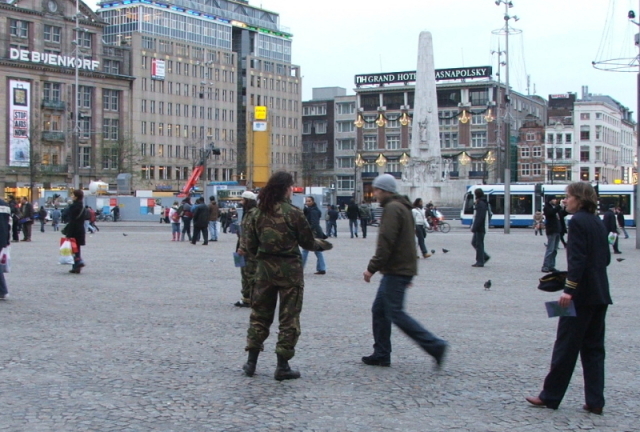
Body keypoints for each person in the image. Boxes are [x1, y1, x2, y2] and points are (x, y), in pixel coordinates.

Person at [526, 182, 612, 415]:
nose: (565, 201)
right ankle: (595, 400)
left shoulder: (576, 222)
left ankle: (550, 396)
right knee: (594, 349)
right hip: (600, 294)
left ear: (580, 199)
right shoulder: (598, 221)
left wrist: (568, 289)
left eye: (568, 197)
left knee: (565, 346)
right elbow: (605, 259)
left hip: (578, 297)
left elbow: (577, 260)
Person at [239, 171, 332, 380]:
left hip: (264, 271)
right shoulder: (294, 213)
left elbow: (249, 246)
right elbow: (308, 242)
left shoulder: (256, 213)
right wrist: (324, 244)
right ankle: (282, 365)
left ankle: (251, 362)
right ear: (286, 189)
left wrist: (264, 257)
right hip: (290, 271)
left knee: (259, 316)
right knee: (289, 317)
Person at [361, 174, 448, 369]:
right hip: (400, 268)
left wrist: (371, 269)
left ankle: (435, 345)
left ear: (385, 191)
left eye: (376, 190)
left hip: (396, 269)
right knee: (380, 310)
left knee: (395, 313)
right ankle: (381, 353)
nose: (374, 194)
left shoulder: (392, 209)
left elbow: (387, 243)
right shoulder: (402, 207)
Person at [235, 191, 258, 308]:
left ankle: (251, 298)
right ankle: (246, 297)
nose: (241, 202)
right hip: (244, 248)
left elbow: (249, 233)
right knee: (245, 273)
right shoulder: (248, 213)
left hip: (249, 250)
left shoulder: (253, 213)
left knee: (250, 274)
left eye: (243, 200)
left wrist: (243, 247)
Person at [301, 196, 327, 275]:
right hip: (314, 232)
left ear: (312, 201)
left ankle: (300, 268)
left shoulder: (313, 211)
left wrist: (307, 231)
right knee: (317, 251)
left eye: (309, 201)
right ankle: (321, 268)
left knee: (305, 250)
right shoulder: (310, 210)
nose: (307, 202)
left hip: (313, 233)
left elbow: (314, 223)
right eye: (306, 201)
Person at [65, 190, 87, 274]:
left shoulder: (73, 206)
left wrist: (69, 205)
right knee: (77, 247)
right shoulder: (82, 206)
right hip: (80, 229)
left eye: (72, 195)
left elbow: (67, 215)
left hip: (73, 229)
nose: (71, 196)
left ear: (76, 196)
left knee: (73, 247)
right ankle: (76, 267)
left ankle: (79, 261)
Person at [541, 195, 562, 272]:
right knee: (550, 249)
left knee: (555, 250)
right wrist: (559, 206)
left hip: (557, 230)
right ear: (550, 200)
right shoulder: (547, 208)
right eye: (553, 199)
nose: (555, 200)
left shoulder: (554, 207)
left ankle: (551, 265)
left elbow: (561, 215)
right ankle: (546, 265)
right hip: (551, 230)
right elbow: (551, 213)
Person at [471, 188, 490, 267]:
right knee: (475, 242)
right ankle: (484, 257)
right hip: (480, 227)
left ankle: (480, 261)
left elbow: (479, 217)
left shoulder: (481, 203)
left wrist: (475, 227)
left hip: (480, 227)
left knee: (479, 244)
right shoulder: (482, 202)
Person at [0, 197, 11, 299]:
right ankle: (2, 291)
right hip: (2, 236)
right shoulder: (5, 205)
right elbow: (8, 224)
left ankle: (3, 290)